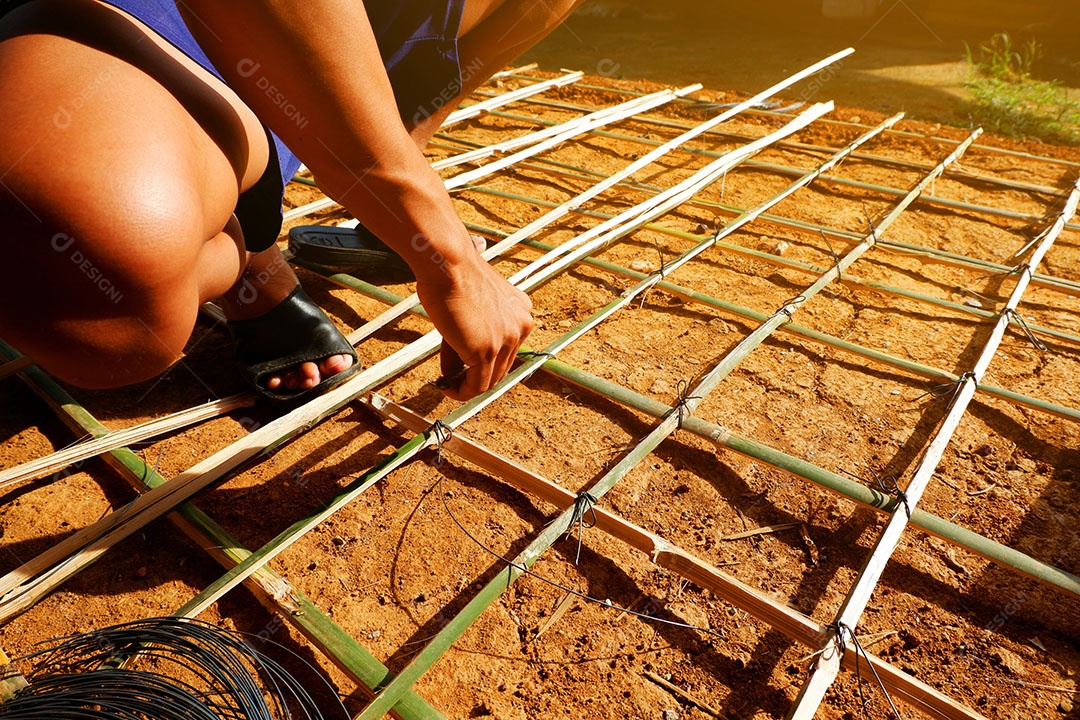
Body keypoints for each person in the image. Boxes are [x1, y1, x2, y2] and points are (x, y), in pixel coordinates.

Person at [0, 0, 584, 401]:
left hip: (340, 32)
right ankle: (252, 258)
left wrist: (399, 166)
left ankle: (366, 157)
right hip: (141, 18)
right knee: (108, 279)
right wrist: (448, 255)